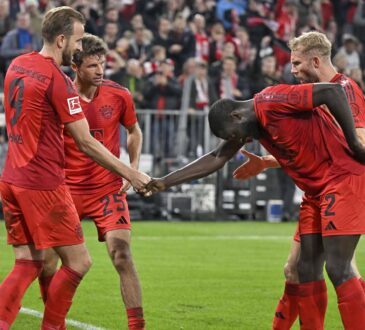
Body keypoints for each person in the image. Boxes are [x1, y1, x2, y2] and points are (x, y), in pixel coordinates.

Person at [143, 81, 365, 329]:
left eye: (235, 135)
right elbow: (217, 157)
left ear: (237, 115)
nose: (242, 141)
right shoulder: (249, 123)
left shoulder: (272, 99)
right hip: (316, 191)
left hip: (342, 178)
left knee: (338, 267)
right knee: (305, 269)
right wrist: (163, 182)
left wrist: (355, 143)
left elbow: (331, 91)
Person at [0, 7, 149, 330]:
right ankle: (53, 326)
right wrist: (133, 173)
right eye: (79, 41)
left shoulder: (17, 65)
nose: (80, 48)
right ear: (62, 39)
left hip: (11, 176)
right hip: (45, 182)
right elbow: (86, 142)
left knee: (27, 263)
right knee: (79, 261)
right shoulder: (59, 81)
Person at [232, 31, 365, 330]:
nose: (291, 71)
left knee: (340, 267)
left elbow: (358, 141)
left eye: (296, 63)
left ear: (315, 61)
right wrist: (270, 161)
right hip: (322, 189)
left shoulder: (343, 89)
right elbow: (325, 150)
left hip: (344, 186)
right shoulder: (316, 94)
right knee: (298, 269)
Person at [39, 33, 145, 330]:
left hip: (106, 190)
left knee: (122, 254)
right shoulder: (61, 96)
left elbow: (134, 131)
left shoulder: (119, 94)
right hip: (65, 191)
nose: (100, 71)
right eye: (92, 66)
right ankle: (53, 322)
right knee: (47, 262)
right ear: (75, 66)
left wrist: (133, 165)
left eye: (103, 64)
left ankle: (138, 326)